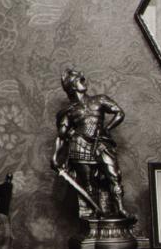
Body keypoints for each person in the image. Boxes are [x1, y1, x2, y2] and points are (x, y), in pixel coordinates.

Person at [51, 68, 128, 219]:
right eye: (80, 80)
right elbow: (61, 135)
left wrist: (106, 128)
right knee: (88, 182)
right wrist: (55, 156)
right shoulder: (68, 111)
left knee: (114, 175)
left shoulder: (99, 100)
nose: (85, 81)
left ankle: (120, 208)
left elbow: (119, 113)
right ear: (72, 86)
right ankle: (95, 213)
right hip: (79, 146)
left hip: (102, 144)